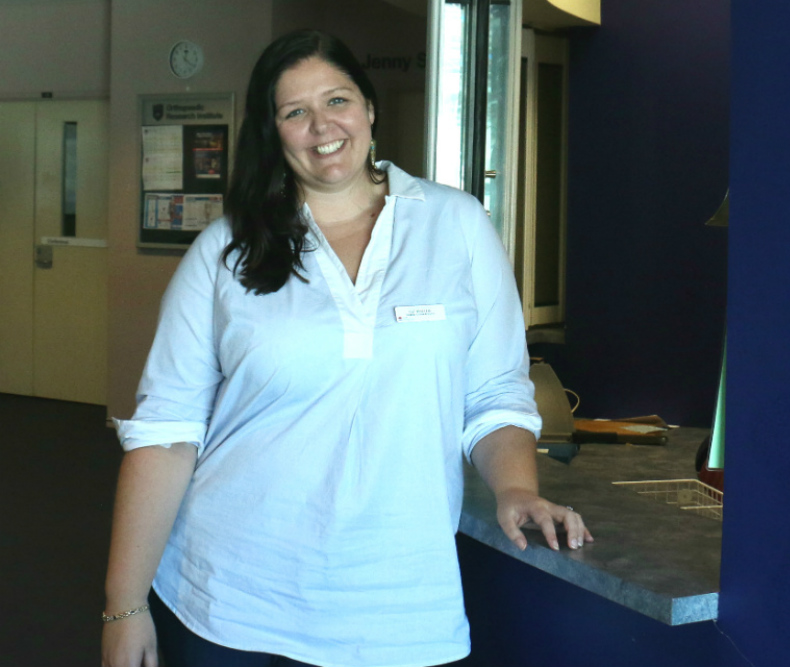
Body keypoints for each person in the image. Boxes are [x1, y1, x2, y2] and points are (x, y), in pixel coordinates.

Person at [101, 29, 592, 667]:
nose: (321, 126)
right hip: (230, 597)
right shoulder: (225, 251)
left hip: (400, 605)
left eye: (337, 100)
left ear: (369, 109)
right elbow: (166, 435)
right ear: (273, 132)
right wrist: (124, 606)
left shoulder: (456, 224)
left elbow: (495, 392)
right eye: (294, 112)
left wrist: (515, 489)